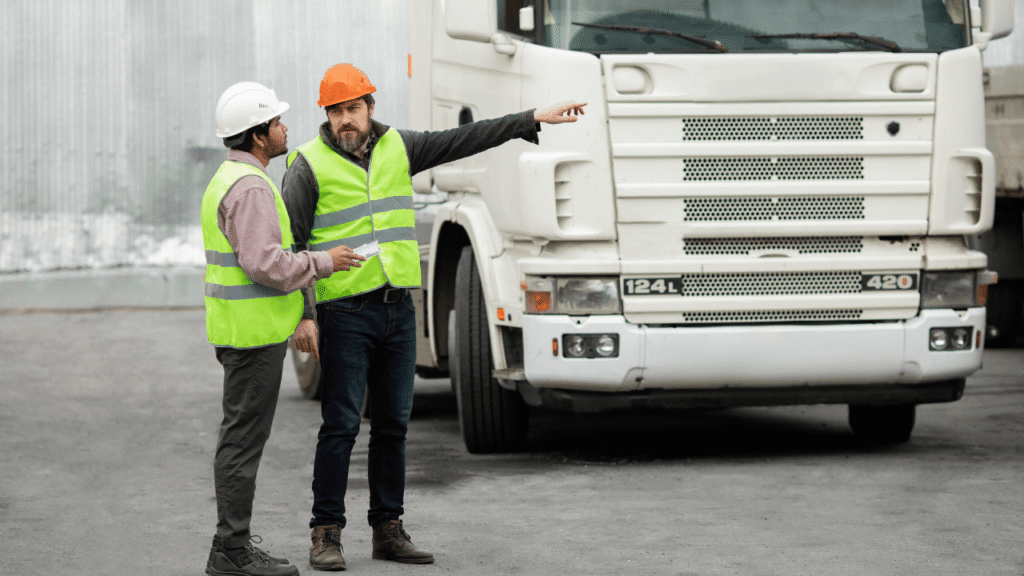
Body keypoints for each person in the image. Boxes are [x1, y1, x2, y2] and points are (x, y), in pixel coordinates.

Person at [282, 63, 585, 570]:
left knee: (395, 426)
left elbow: (464, 138)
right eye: (335, 111)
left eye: (352, 108)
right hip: (343, 313)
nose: (344, 120)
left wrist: (531, 117)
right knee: (340, 426)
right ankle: (326, 532)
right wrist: (304, 316)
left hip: (399, 310)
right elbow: (292, 246)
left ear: (370, 107)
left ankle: (388, 529)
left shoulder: (401, 146)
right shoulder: (307, 165)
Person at [202, 81, 366, 576]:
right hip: (251, 338)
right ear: (257, 136)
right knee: (242, 443)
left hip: (243, 331)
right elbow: (265, 264)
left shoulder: (231, 178)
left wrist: (302, 313)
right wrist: (324, 262)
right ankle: (231, 551)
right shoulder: (251, 187)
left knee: (240, 439)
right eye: (276, 122)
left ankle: (232, 546)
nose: (284, 128)